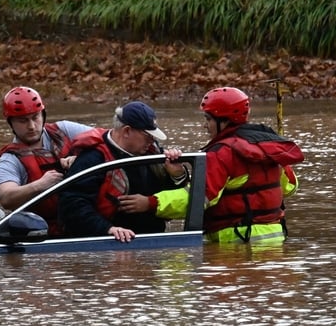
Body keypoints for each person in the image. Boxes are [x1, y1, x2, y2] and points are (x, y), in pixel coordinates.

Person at [125, 87, 304, 244]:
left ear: (223, 121)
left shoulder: (221, 153)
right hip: (275, 237)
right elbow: (289, 187)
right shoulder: (267, 146)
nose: (205, 126)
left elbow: (197, 201)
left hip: (236, 242)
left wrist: (150, 203)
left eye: (208, 119)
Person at [58, 101, 188, 242]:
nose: (152, 140)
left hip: (151, 241)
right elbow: (72, 206)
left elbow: (173, 200)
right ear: (126, 131)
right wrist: (108, 229)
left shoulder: (152, 153)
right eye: (148, 135)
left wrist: (177, 175)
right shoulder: (92, 159)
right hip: (112, 244)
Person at [0, 86, 92, 235]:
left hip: (89, 219)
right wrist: (40, 185)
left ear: (43, 115)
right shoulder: (10, 160)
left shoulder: (65, 130)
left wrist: (82, 159)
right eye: (23, 121)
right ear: (11, 123)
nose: (31, 126)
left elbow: (108, 141)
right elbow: (7, 198)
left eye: (35, 117)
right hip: (49, 233)